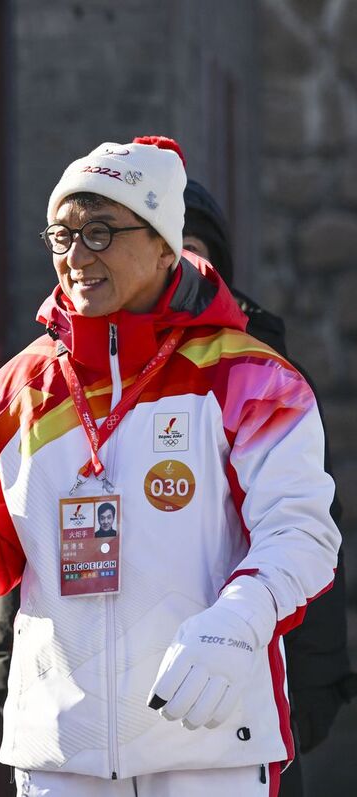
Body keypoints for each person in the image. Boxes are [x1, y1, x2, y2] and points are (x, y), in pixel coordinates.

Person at [0, 136, 341, 797]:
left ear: (163, 244)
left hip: (207, 740)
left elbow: (302, 535)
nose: (76, 257)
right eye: (62, 235)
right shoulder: (17, 391)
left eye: (101, 231)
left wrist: (240, 618)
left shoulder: (247, 377)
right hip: (62, 757)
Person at [182, 178, 357, 796]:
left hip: (253, 698)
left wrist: (314, 688)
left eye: (192, 245)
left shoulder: (266, 372)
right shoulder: (86, 372)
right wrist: (7, 659)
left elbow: (308, 531)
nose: (178, 262)